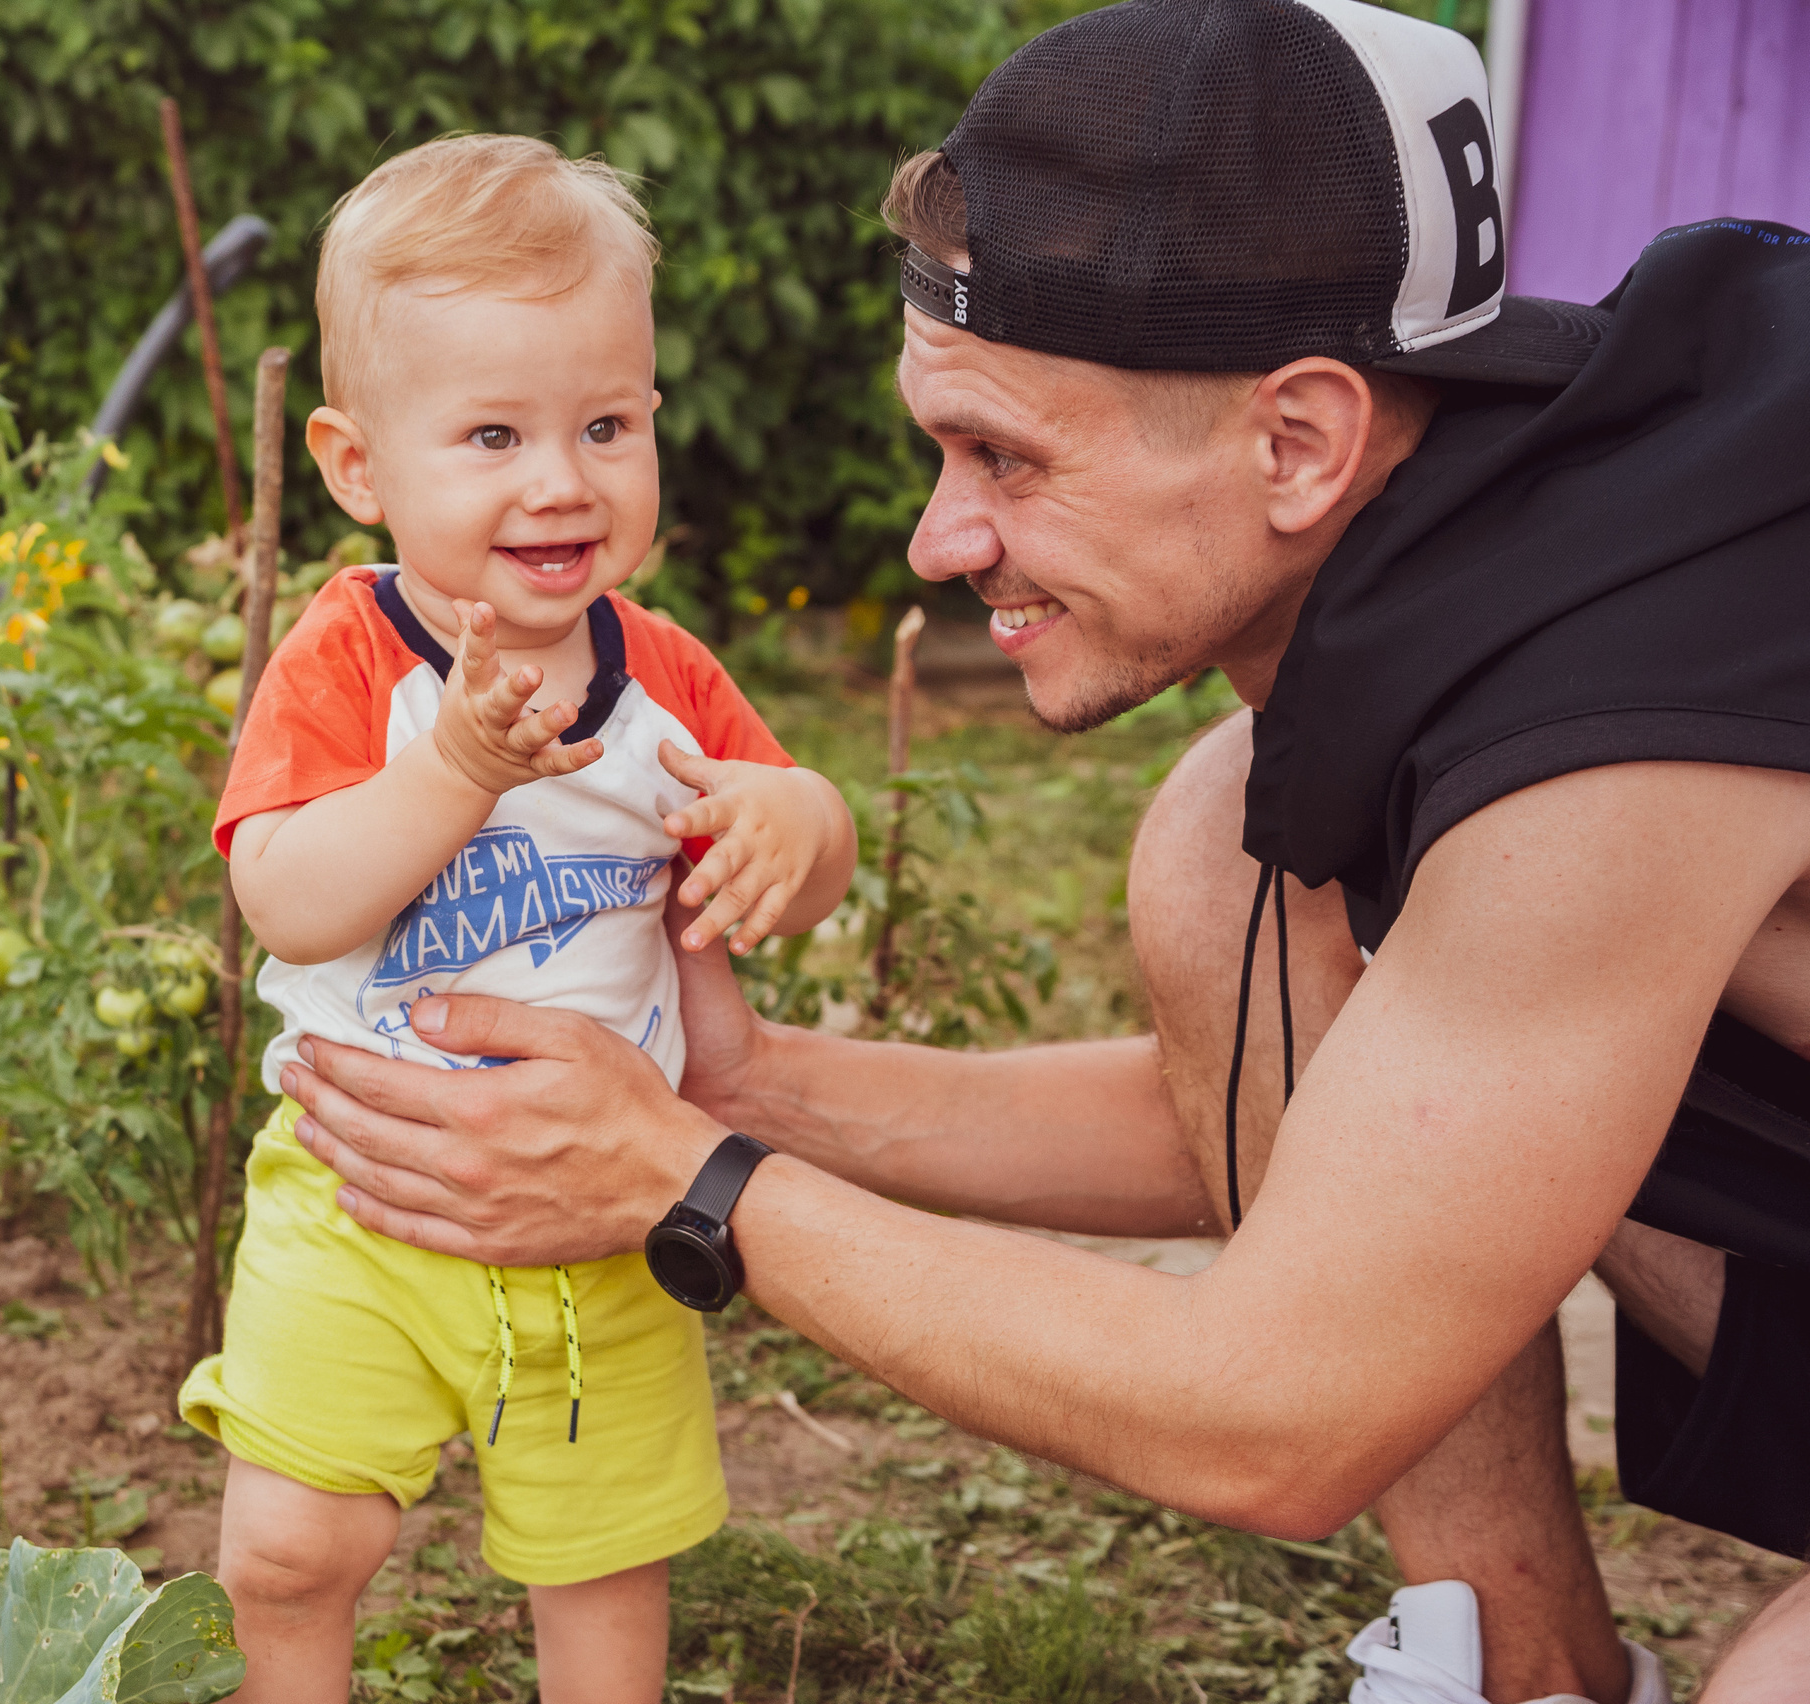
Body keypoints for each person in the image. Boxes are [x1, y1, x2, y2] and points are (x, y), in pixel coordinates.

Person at [266, 4, 1810, 1701]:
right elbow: (1357, 1149)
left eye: (1006, 454)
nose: (943, 540)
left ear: (1300, 438)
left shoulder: (1608, 739)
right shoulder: (1531, 565)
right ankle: (1529, 1682)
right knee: (1225, 856)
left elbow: (1276, 1412)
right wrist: (737, 1088)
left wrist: (686, 1189)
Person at [177, 134, 857, 1702]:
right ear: (359, 467)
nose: (562, 480)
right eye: (492, 434)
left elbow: (801, 844)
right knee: (287, 1550)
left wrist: (797, 822)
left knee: (602, 1570)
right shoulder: (349, 659)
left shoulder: (664, 673)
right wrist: (457, 769)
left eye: (605, 425)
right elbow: (283, 899)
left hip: (604, 1227)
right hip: (360, 1198)